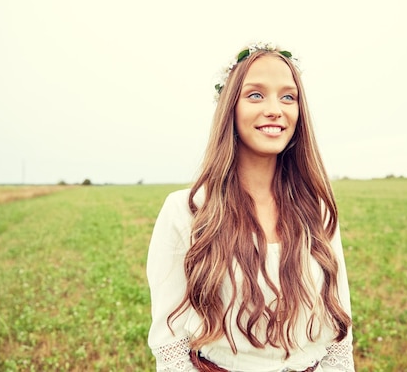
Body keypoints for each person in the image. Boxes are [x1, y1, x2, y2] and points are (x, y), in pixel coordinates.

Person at [147, 42, 354, 371]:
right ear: (230, 107)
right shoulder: (186, 211)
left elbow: (339, 337)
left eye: (288, 96)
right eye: (256, 95)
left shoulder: (318, 209)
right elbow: (169, 342)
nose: (275, 109)